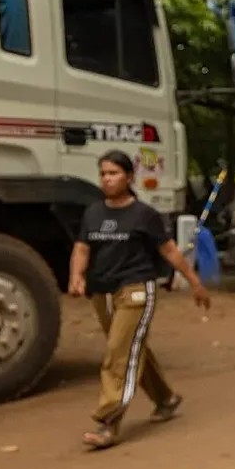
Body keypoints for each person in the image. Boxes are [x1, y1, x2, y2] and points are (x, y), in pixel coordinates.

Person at [68, 150, 212, 450]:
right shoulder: (93, 212)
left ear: (129, 177)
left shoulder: (144, 214)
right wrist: (77, 277)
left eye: (114, 173)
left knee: (118, 353)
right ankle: (165, 398)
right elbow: (82, 248)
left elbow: (170, 250)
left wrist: (195, 282)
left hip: (135, 289)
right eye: (104, 174)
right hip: (102, 292)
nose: (107, 179)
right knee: (132, 347)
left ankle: (108, 422)